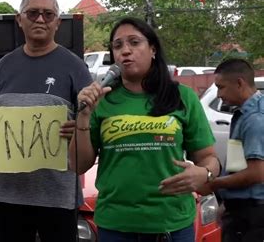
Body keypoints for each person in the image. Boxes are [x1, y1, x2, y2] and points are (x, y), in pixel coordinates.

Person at [69, 17, 221, 242]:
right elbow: (78, 165)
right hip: (116, 226)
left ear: (153, 50)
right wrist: (83, 116)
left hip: (172, 226)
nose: (125, 51)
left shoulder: (182, 96)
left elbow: (210, 159)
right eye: (118, 45)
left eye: (134, 42)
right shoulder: (103, 101)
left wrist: (204, 173)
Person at [0, 0, 92, 242]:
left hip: (58, 197)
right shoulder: (3, 66)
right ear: (19, 19)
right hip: (8, 195)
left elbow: (90, 124)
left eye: (48, 14)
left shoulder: (75, 66)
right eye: (32, 13)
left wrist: (77, 127)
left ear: (57, 22)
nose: (40, 19)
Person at [198, 58, 264, 242]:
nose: (218, 94)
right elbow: (238, 166)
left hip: (252, 216)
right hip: (241, 210)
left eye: (221, 87)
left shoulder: (255, 119)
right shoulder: (245, 114)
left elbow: (256, 173)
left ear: (239, 83)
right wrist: (227, 202)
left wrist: (214, 184)